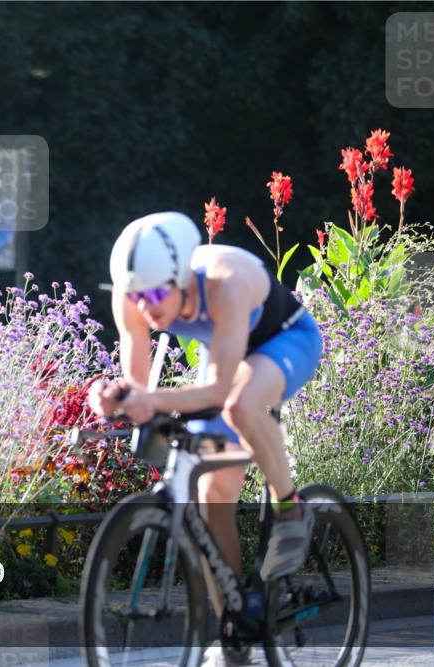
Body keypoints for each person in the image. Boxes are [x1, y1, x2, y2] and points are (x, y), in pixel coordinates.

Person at [87, 211, 322, 665]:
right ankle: (236, 629)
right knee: (210, 495)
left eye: (157, 295)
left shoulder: (224, 282)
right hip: (227, 354)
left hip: (283, 340)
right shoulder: (133, 299)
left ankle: (291, 508)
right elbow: (140, 390)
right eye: (137, 297)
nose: (147, 308)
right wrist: (114, 396)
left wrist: (150, 400)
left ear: (182, 280)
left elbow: (218, 388)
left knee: (242, 404)